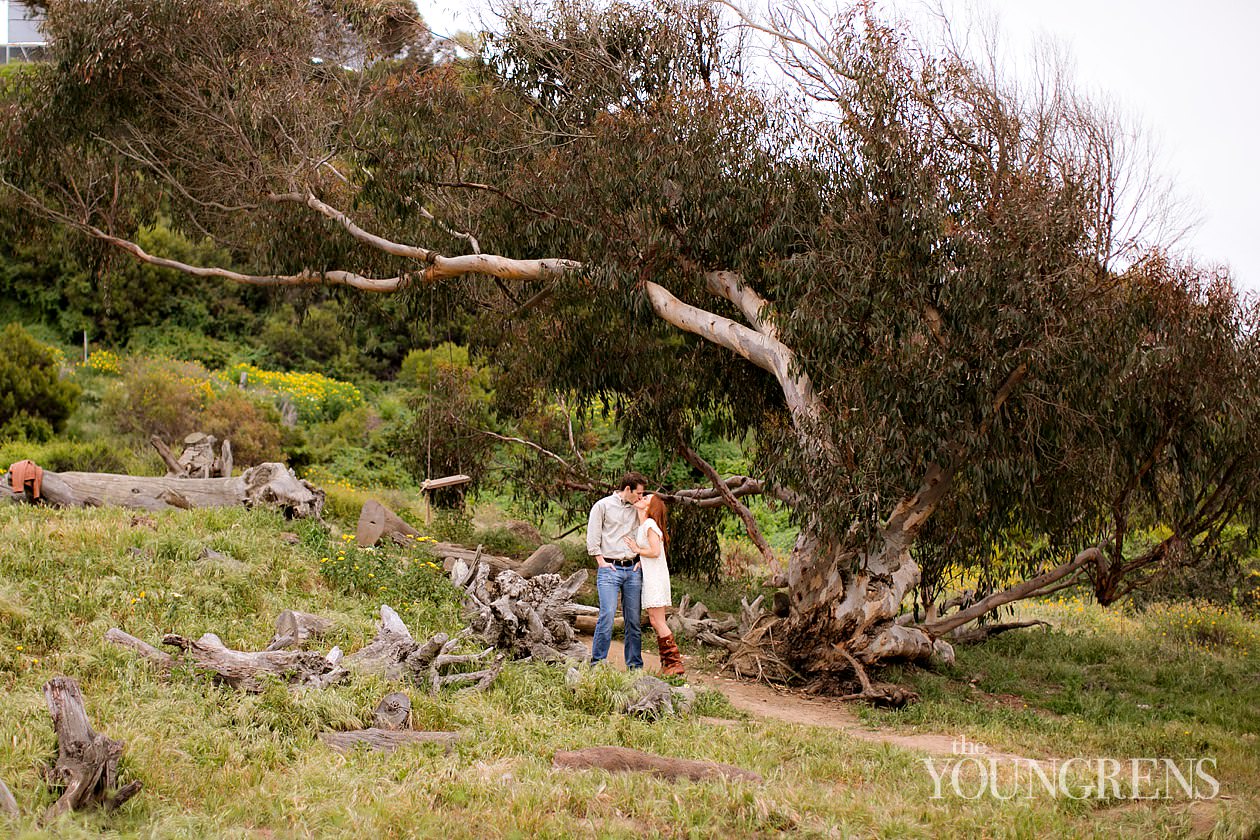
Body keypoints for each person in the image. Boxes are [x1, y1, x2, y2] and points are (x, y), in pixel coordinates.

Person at [586, 472, 646, 668]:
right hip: (610, 568)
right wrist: (600, 561)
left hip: (633, 569)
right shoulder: (603, 506)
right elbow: (593, 534)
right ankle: (597, 664)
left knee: (634, 621)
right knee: (607, 616)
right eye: (638, 493)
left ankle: (635, 667)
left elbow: (647, 533)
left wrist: (642, 560)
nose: (640, 497)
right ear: (627, 489)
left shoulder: (639, 508)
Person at [623, 493, 684, 676]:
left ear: (650, 508)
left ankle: (674, 663)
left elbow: (655, 551)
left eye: (645, 499)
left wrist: (637, 550)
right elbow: (653, 551)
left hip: (656, 579)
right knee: (654, 620)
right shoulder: (645, 525)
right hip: (652, 576)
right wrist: (642, 559)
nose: (640, 499)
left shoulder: (649, 524)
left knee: (658, 621)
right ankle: (667, 664)